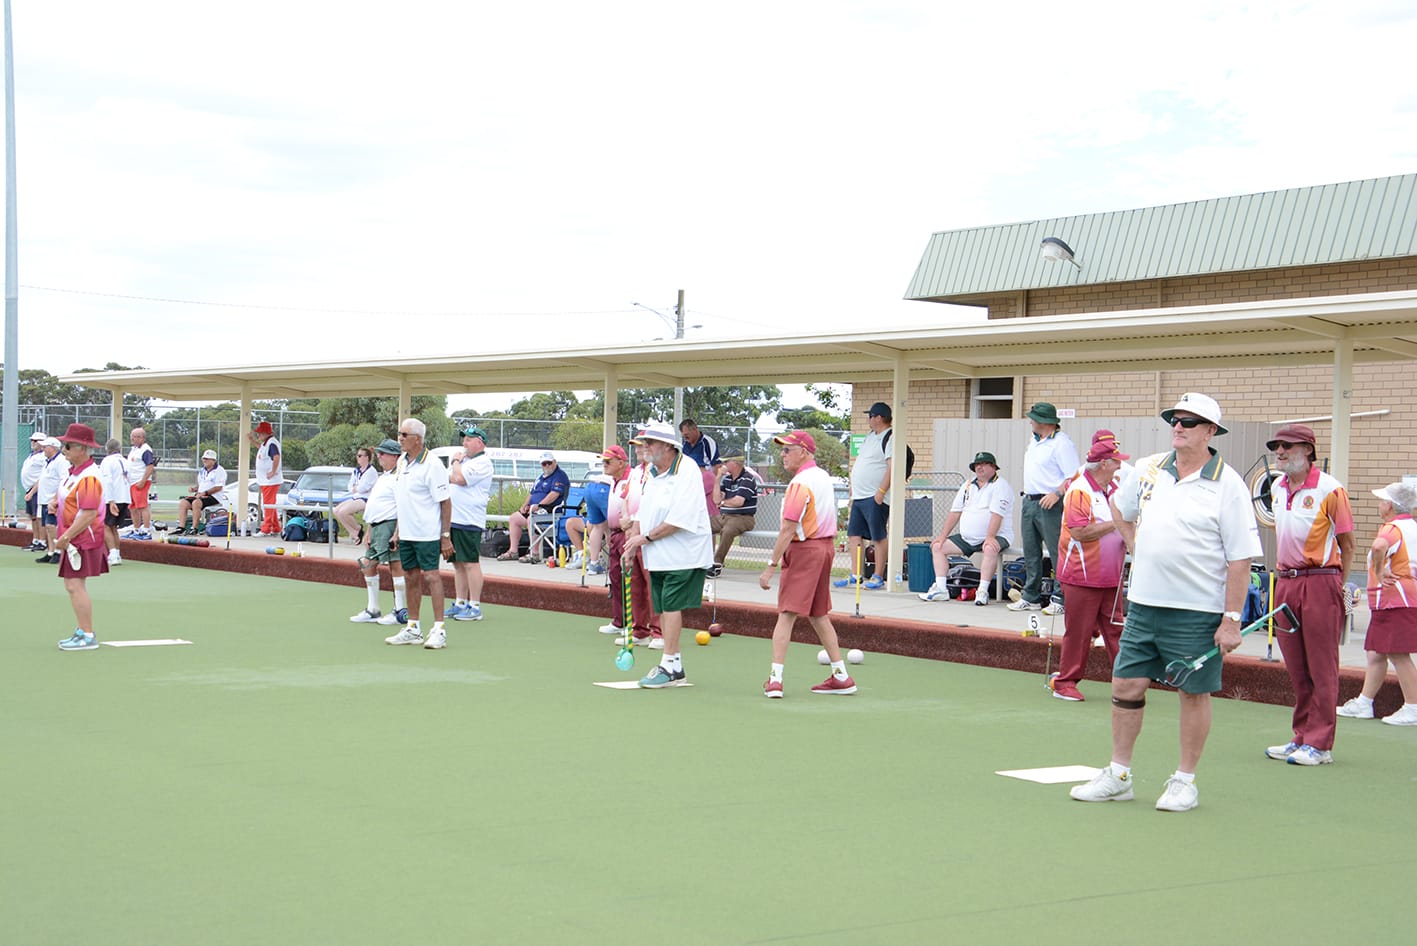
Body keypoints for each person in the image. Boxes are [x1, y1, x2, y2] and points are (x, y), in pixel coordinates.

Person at [1071, 393, 1261, 813]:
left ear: (1210, 431)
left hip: (1197, 610)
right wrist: (1135, 544)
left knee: (1193, 692)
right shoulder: (1148, 468)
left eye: (1189, 421)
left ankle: (1185, 781)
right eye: (1175, 419)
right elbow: (1121, 509)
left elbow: (1241, 558)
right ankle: (1119, 774)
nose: (1178, 426)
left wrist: (1231, 619)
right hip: (1143, 604)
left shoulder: (1228, 484)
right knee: (1125, 684)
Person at [1264, 424, 1355, 766]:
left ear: (1308, 450)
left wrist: (1340, 585)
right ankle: (1301, 735)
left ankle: (1320, 743)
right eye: (1277, 446)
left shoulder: (1331, 489)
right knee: (1296, 665)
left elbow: (1348, 544)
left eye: (1287, 446)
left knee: (1321, 665)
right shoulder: (1277, 487)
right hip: (1285, 580)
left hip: (1320, 579)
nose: (1280, 452)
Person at [759, 431, 858, 698]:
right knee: (818, 614)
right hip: (825, 549)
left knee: (787, 613)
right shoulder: (823, 477)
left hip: (805, 550)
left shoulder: (800, 483)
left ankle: (775, 681)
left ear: (803, 451)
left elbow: (788, 528)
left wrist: (771, 565)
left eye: (787, 450)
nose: (782, 455)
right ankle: (841, 676)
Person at [621, 422, 713, 688]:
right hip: (658, 553)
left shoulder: (687, 470)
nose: (645, 447)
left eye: (650, 442)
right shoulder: (652, 472)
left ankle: (669, 665)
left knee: (670, 605)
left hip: (684, 553)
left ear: (667, 446)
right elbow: (643, 512)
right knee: (662, 606)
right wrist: (633, 544)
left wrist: (644, 539)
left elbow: (679, 519)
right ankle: (675, 666)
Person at [1048, 436, 1130, 701]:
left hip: (1111, 576)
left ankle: (1127, 682)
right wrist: (1118, 523)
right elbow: (1080, 532)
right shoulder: (1079, 490)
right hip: (1081, 576)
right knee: (1079, 633)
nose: (1120, 465)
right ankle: (1064, 683)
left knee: (1116, 631)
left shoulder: (1114, 488)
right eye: (1116, 461)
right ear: (1104, 463)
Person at [1337, 483, 1417, 726]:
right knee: (1376, 652)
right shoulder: (1411, 526)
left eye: (1383, 501)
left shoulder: (1392, 528)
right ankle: (1365, 701)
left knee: (1397, 653)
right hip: (1399, 598)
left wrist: (1380, 571)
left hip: (1394, 598)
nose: (1380, 505)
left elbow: (1379, 546)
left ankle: (1413, 706)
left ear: (1390, 505)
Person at [384, 419, 454, 649]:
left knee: (432, 577)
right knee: (410, 577)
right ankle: (413, 628)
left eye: (404, 434)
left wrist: (445, 536)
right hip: (407, 534)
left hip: (428, 533)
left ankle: (439, 630)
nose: (400, 438)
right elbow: (404, 499)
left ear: (418, 439)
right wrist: (397, 531)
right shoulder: (402, 461)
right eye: (399, 434)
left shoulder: (433, 464)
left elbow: (445, 502)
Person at [1009, 402, 1079, 615]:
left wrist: (1057, 494)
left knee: (1057, 551)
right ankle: (1031, 596)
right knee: (1031, 551)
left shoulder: (1062, 443)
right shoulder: (1034, 440)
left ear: (1044, 421)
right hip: (1030, 500)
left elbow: (1073, 476)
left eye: (1033, 418)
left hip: (1051, 503)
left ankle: (1060, 597)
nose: (1030, 421)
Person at [917, 451, 1013, 605]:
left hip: (997, 535)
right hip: (967, 537)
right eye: (977, 465)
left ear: (993, 467)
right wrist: (942, 536)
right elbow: (955, 512)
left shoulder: (1001, 485)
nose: (979, 467)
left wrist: (990, 537)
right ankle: (941, 589)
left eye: (983, 464)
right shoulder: (967, 485)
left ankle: (982, 591)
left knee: (990, 548)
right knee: (937, 546)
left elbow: (997, 515)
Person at [53, 424, 108, 651]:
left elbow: (89, 513)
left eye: (68, 446)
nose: (63, 449)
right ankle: (83, 631)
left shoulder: (89, 477)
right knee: (73, 584)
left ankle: (87, 634)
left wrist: (66, 536)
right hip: (76, 538)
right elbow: (73, 502)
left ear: (82, 448)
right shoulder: (74, 473)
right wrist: (56, 503)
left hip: (82, 539)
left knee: (74, 585)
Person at [610, 437, 664, 648]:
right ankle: (639, 631)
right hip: (631, 533)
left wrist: (634, 524)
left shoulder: (657, 471)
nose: (639, 450)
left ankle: (659, 632)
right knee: (635, 584)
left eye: (642, 446)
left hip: (649, 534)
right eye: (636, 447)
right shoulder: (635, 472)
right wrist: (625, 519)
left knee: (653, 585)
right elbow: (626, 499)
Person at [835, 401, 895, 591]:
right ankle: (856, 575)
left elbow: (891, 467)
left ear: (879, 417)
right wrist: (853, 486)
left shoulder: (890, 437)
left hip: (875, 496)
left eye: (871, 416)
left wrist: (881, 492)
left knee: (878, 536)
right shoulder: (870, 437)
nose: (868, 419)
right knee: (854, 535)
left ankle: (877, 576)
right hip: (859, 496)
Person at [349, 440, 408, 626]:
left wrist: (397, 533)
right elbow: (374, 505)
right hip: (376, 526)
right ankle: (373, 609)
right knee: (368, 565)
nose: (379, 456)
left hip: (389, 525)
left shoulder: (400, 477)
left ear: (395, 456)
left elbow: (403, 507)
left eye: (384, 453)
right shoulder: (383, 477)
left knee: (395, 565)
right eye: (379, 453)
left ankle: (400, 611)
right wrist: (368, 531)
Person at [446, 426, 493, 622]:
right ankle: (460, 602)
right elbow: (449, 478)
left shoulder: (483, 463)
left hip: (469, 519)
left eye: (468, 439)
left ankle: (474, 606)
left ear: (479, 442)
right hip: (454, 518)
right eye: (464, 439)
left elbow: (459, 479)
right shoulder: (466, 461)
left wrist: (456, 462)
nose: (464, 443)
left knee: (470, 563)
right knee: (458, 563)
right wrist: (457, 467)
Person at [594, 445, 636, 633]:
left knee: (630, 579)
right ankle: (619, 621)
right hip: (615, 533)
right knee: (615, 578)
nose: (605, 464)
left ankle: (634, 623)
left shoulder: (631, 478)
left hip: (627, 533)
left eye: (608, 461)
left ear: (620, 462)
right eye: (604, 461)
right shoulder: (613, 481)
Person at [502, 451, 570, 563]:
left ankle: (534, 553)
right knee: (514, 518)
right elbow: (532, 494)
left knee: (532, 519)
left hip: (550, 510)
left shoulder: (560, 476)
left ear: (554, 462)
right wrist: (524, 506)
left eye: (549, 463)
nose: (547, 465)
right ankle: (513, 551)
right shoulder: (540, 477)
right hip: (534, 509)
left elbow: (554, 495)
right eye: (544, 463)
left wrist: (538, 506)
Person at [710, 455, 758, 577]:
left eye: (726, 462)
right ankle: (701, 560)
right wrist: (717, 478)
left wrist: (722, 503)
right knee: (703, 524)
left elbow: (738, 502)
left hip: (743, 518)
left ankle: (717, 563)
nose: (723, 465)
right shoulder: (727, 479)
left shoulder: (747, 478)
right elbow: (716, 499)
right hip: (725, 516)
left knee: (728, 530)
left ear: (735, 463)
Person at [175, 450, 227, 536]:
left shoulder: (220, 471)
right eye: (203, 458)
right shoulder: (202, 470)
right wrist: (194, 489)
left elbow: (218, 487)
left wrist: (204, 493)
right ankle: (181, 527)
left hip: (214, 497)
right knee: (183, 503)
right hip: (200, 496)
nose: (204, 460)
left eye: (207, 459)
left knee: (196, 503)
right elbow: (200, 485)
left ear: (213, 460)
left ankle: (194, 528)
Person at [34, 437, 68, 564]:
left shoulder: (61, 461)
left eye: (45, 447)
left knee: (52, 525)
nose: (43, 449)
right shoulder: (47, 461)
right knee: (48, 527)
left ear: (52, 447)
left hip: (53, 500)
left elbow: (64, 480)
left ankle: (58, 551)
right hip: (44, 499)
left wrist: (56, 498)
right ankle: (51, 551)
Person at [334, 446, 379, 544]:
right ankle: (354, 531)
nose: (358, 458)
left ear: (366, 457)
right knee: (336, 510)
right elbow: (350, 486)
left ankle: (357, 529)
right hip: (356, 497)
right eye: (357, 455)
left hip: (366, 498)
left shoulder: (371, 471)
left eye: (360, 456)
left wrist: (356, 488)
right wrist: (355, 488)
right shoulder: (356, 470)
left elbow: (364, 488)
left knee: (343, 512)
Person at [98, 438, 131, 566]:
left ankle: (112, 554)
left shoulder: (107, 461)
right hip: (124, 497)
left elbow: (108, 481)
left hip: (112, 498)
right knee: (113, 527)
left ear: (107, 449)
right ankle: (117, 554)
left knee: (106, 526)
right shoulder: (125, 461)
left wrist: (110, 500)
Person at [250, 420, 283, 536]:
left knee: (268, 505)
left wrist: (273, 471)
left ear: (264, 433)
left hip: (270, 480)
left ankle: (266, 529)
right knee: (270, 504)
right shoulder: (267, 444)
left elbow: (276, 457)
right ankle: (275, 527)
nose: (258, 435)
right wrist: (252, 441)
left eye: (259, 433)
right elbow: (261, 449)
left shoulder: (271, 443)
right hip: (266, 480)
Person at [125, 427, 157, 540]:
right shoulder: (133, 449)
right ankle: (136, 529)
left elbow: (150, 466)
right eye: (132, 436)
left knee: (142, 507)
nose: (132, 439)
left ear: (142, 438)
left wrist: (143, 481)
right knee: (133, 507)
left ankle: (146, 530)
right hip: (131, 482)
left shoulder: (145, 450)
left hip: (139, 481)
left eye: (135, 437)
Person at [20, 432, 48, 552]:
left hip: (37, 490)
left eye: (35, 441)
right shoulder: (31, 455)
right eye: (32, 440)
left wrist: (32, 491)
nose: (33, 443)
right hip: (29, 489)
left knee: (39, 516)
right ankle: (35, 540)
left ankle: (42, 541)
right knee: (33, 516)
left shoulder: (43, 457)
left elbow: (42, 477)